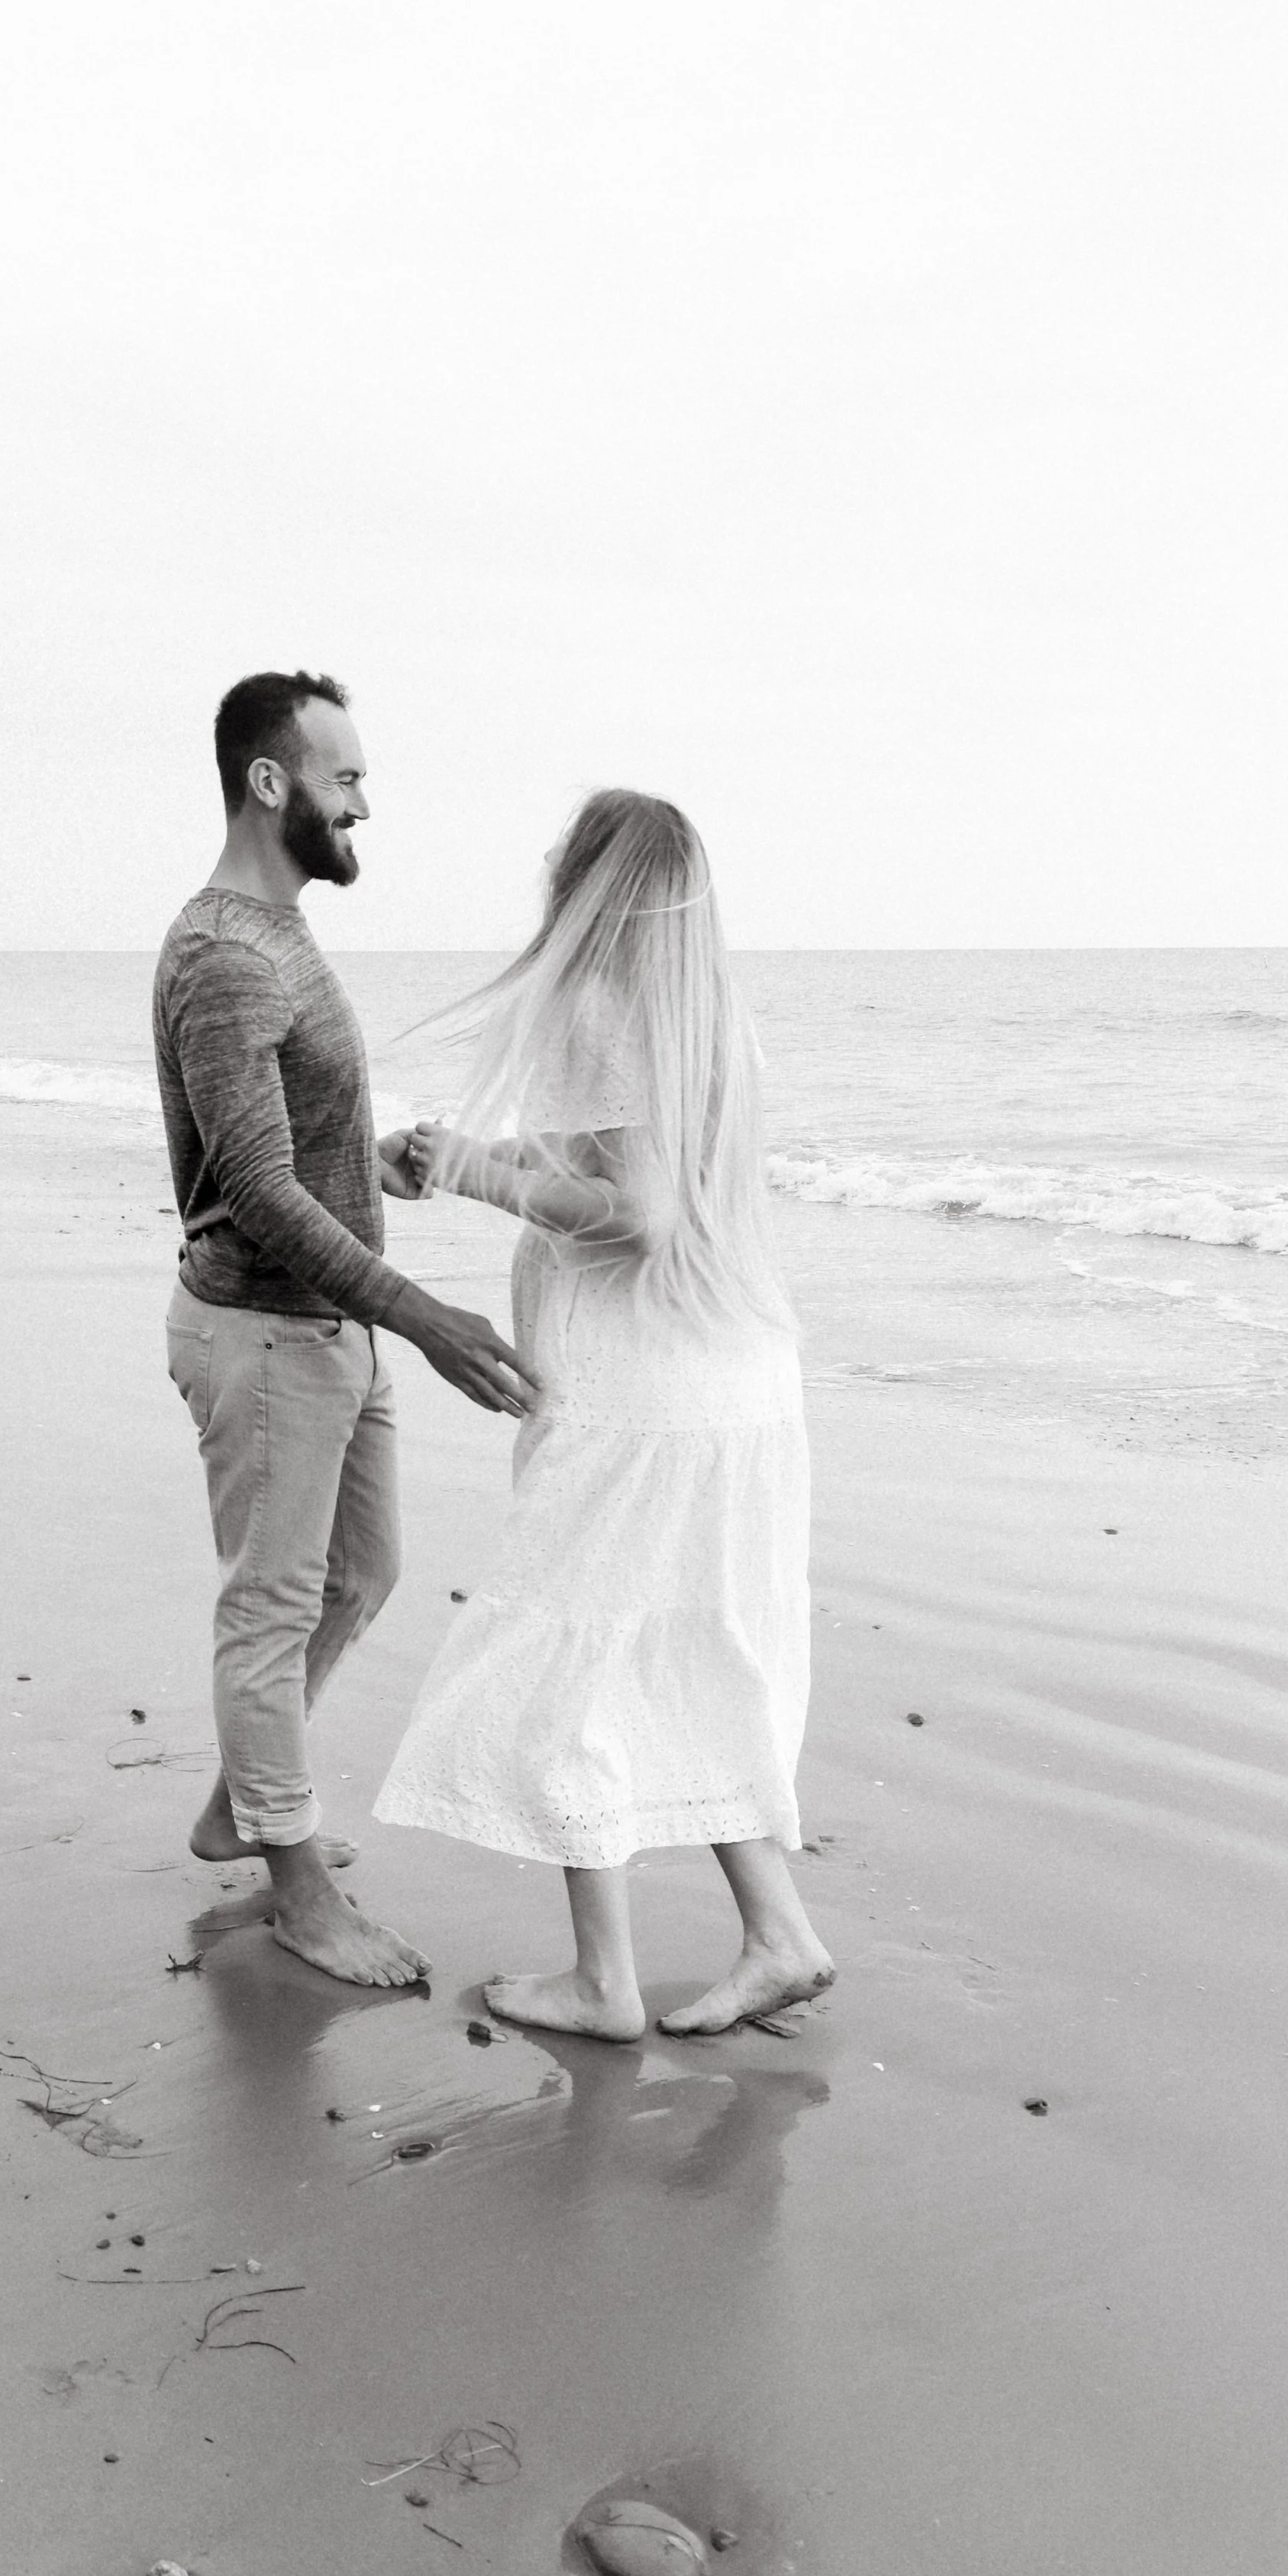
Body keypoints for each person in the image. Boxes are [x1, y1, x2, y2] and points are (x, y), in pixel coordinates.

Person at [373, 787, 834, 2039]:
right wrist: (480, 1155)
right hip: (736, 1383)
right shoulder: (713, 1022)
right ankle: (779, 1935)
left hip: (643, 1397)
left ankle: (602, 1982)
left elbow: (635, 1218)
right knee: (683, 1650)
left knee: (571, 1659)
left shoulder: (593, 1005)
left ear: (586, 884)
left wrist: (470, 1170)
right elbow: (616, 1170)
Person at [153, 669, 539, 1991]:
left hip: (326, 1327)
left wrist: (365, 1160)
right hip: (266, 1336)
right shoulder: (225, 955)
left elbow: (273, 1152)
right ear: (274, 783)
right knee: (268, 1614)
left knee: (361, 1577)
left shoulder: (276, 937)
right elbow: (251, 1192)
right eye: (347, 778)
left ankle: (239, 1804)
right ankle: (297, 1887)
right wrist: (424, 1315)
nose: (366, 802)